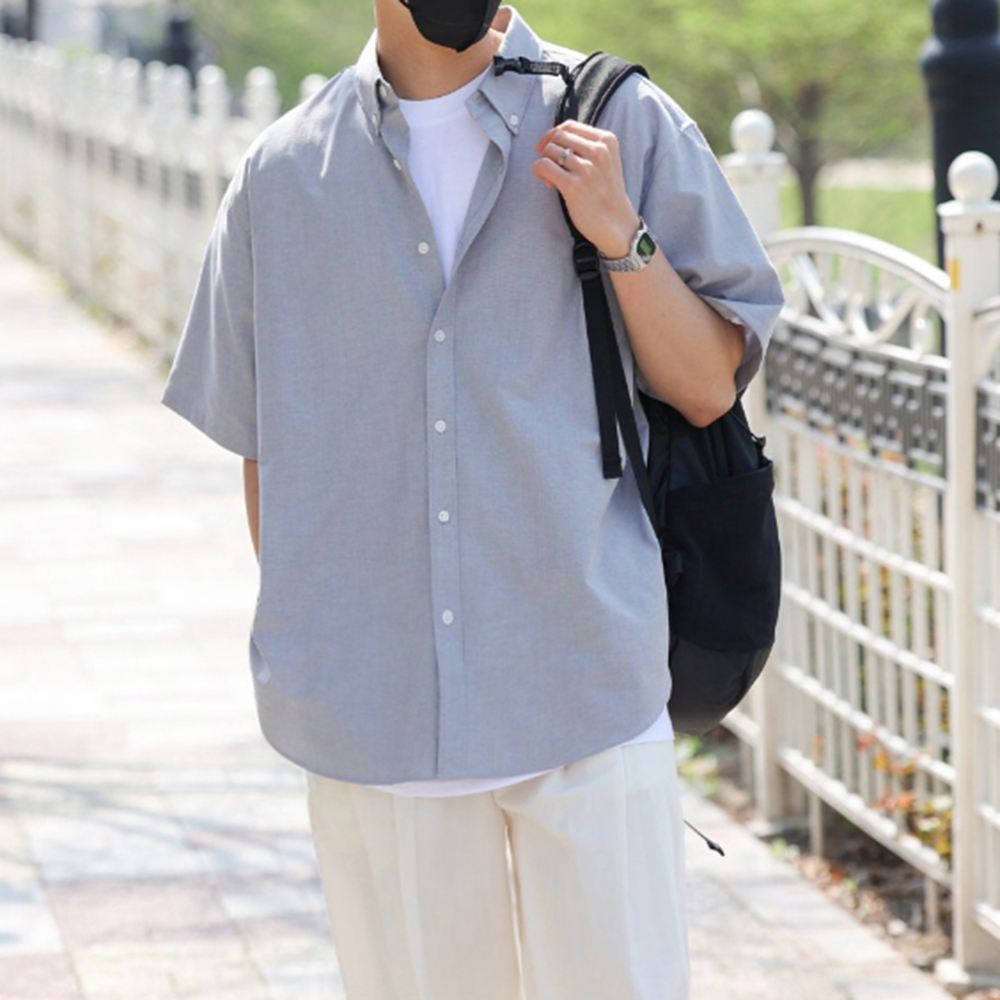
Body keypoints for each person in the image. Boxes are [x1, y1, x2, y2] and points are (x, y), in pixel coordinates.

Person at [161, 2, 785, 997]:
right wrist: (328, 646)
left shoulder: (620, 119)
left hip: (584, 682)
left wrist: (618, 233)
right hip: (380, 722)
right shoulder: (283, 176)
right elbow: (267, 450)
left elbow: (709, 385)